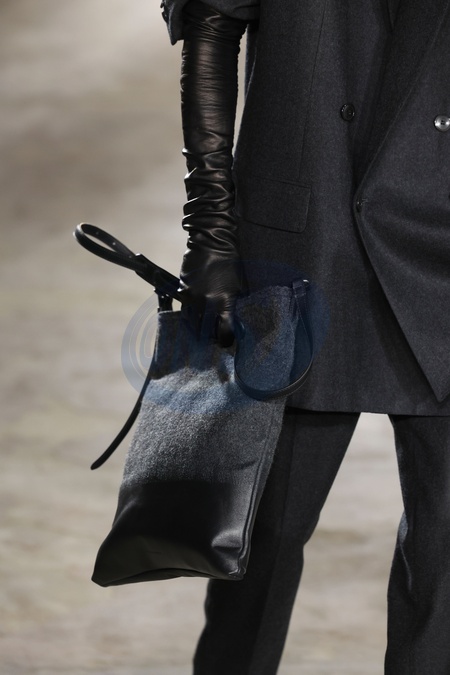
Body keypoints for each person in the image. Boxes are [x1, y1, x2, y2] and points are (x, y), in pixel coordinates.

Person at [159, 0, 450, 672]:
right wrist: (211, 230)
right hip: (306, 235)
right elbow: (211, 19)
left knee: (444, 565)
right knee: (260, 540)